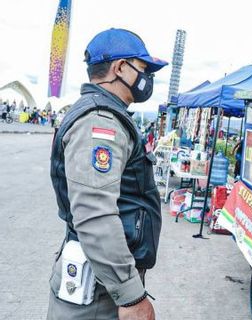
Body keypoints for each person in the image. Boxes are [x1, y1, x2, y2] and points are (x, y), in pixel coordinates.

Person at [47, 28, 168, 320]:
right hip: (99, 293)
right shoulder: (100, 122)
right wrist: (131, 296)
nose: (147, 78)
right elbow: (95, 214)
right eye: (143, 69)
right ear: (120, 68)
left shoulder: (105, 115)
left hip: (102, 280)